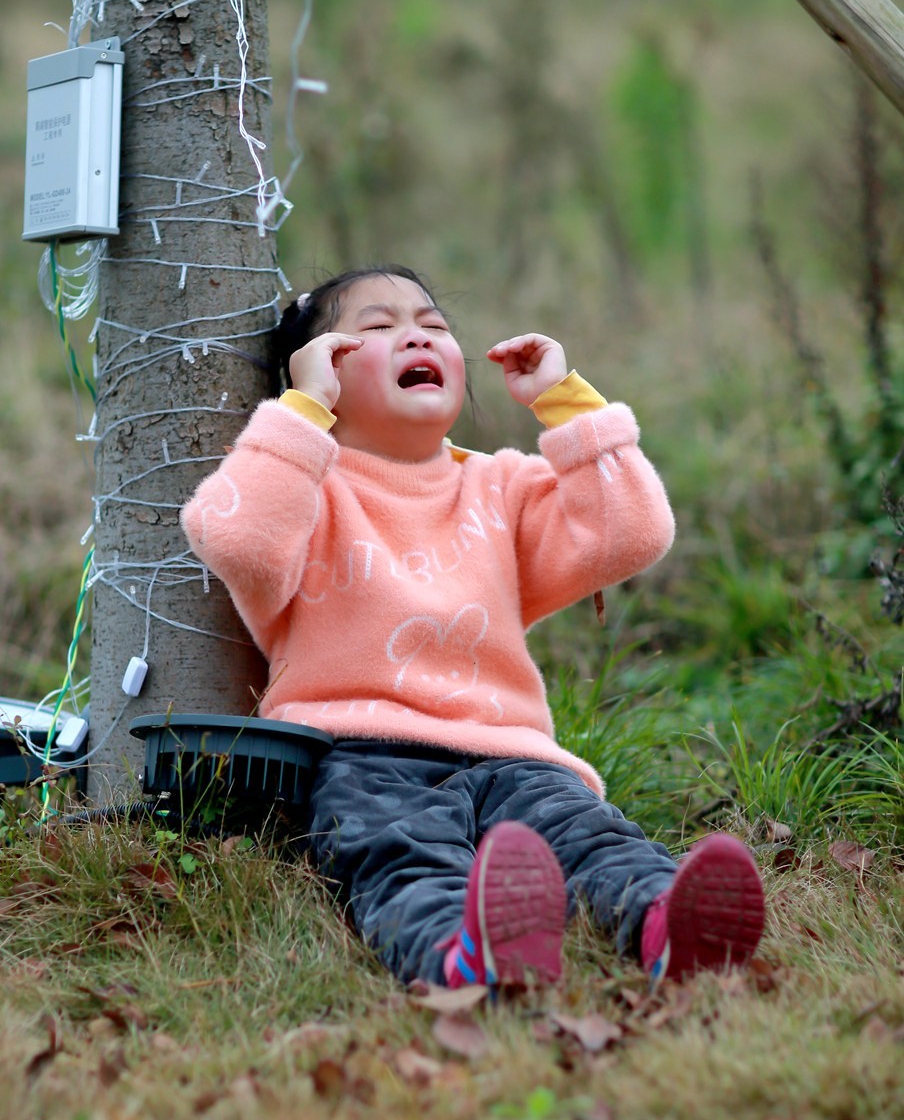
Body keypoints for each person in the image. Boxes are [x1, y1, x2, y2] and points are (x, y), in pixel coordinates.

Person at [181, 265, 765, 989]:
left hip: (514, 754)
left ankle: (668, 926)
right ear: (322, 367)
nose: (416, 337)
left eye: (433, 326)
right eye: (377, 327)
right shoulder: (302, 485)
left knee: (593, 838)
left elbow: (631, 533)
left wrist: (565, 401)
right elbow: (235, 539)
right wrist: (301, 412)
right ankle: (466, 955)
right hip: (361, 757)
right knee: (404, 863)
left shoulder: (500, 486)